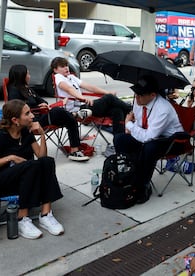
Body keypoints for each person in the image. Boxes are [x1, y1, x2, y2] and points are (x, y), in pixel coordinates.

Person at [0, 99, 64, 239]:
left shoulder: (25, 132)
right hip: (2, 181)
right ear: (15, 120)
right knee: (31, 165)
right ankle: (22, 218)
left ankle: (45, 214)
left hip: (26, 178)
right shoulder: (1, 136)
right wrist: (11, 157)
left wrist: (42, 134)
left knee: (47, 162)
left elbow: (41, 156)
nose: (32, 116)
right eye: (27, 113)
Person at [113, 76, 183, 204]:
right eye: (135, 94)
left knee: (149, 147)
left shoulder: (163, 109)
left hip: (172, 140)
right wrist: (132, 128)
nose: (136, 97)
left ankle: (143, 184)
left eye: (140, 95)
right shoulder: (139, 102)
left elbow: (147, 137)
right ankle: (128, 174)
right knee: (120, 139)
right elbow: (139, 128)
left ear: (152, 95)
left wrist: (129, 124)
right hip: (150, 135)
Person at [7, 64, 89, 162]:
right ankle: (75, 116)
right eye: (27, 74)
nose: (29, 76)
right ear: (21, 75)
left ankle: (75, 149)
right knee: (60, 112)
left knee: (69, 119)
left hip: (41, 115)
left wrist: (43, 104)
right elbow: (18, 109)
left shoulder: (27, 89)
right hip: (32, 121)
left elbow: (42, 100)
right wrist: (38, 107)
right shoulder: (14, 91)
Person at [51, 57, 131, 134]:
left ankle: (118, 140)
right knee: (109, 98)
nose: (66, 68)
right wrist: (82, 98)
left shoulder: (71, 77)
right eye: (62, 66)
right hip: (76, 111)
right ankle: (130, 110)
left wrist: (106, 92)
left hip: (85, 106)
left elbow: (89, 87)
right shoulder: (58, 77)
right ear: (55, 70)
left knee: (117, 110)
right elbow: (69, 89)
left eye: (66, 65)